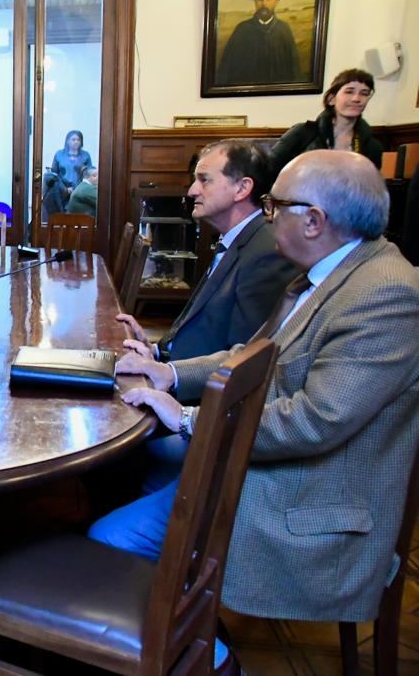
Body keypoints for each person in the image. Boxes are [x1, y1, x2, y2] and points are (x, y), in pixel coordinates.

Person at [93, 150, 419, 671]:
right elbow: (251, 356)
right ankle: (186, 621)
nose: (268, 217)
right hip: (268, 465)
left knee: (109, 539)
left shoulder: (385, 295)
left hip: (304, 500)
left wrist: (187, 418)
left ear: (314, 221)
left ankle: (216, 663)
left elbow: (316, 421)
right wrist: (171, 374)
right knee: (128, 472)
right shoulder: (330, 272)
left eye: (275, 206)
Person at [117, 140, 297, 368]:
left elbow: (246, 359)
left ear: (242, 188)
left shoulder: (266, 252)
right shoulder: (237, 239)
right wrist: (155, 350)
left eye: (204, 180)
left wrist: (168, 373)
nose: (192, 190)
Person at [269, 68, 383, 177]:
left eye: (364, 93)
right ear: (331, 99)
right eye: (349, 92)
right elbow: (268, 169)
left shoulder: (372, 147)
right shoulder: (302, 133)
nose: (356, 99)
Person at [216, 0, 300, 86]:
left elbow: (294, 70)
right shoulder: (242, 30)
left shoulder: (284, 30)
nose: (264, 3)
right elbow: (226, 69)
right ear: (255, 1)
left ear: (276, 1)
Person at [44, 130, 94, 217]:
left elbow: (89, 173)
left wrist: (76, 188)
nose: (76, 142)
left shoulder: (85, 155)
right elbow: (55, 173)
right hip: (61, 189)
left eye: (78, 140)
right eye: (73, 139)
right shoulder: (59, 154)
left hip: (79, 190)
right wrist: (65, 188)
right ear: (67, 141)